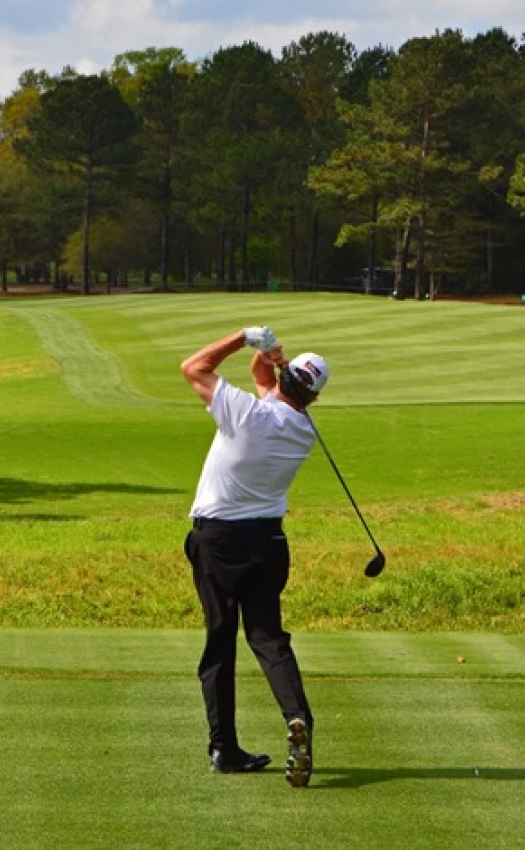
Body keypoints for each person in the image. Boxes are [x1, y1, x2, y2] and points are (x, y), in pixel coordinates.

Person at [179, 326, 329, 788]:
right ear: (313, 397)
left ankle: (224, 748)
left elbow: (194, 368)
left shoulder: (245, 414)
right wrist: (269, 357)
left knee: (220, 645)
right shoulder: (302, 429)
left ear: (284, 381)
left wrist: (245, 337)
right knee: (268, 638)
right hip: (269, 544)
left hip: (220, 540)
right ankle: (297, 717)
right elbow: (265, 381)